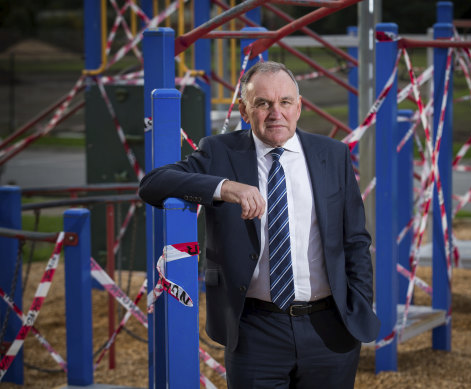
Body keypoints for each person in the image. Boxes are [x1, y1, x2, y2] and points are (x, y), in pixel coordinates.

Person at [139, 61, 379, 388]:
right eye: (262, 103)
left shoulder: (331, 154)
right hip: (255, 329)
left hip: (331, 328)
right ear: (244, 109)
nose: (275, 112)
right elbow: (153, 184)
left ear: (299, 106)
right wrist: (224, 188)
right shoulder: (220, 153)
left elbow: (355, 241)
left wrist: (359, 303)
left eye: (284, 102)